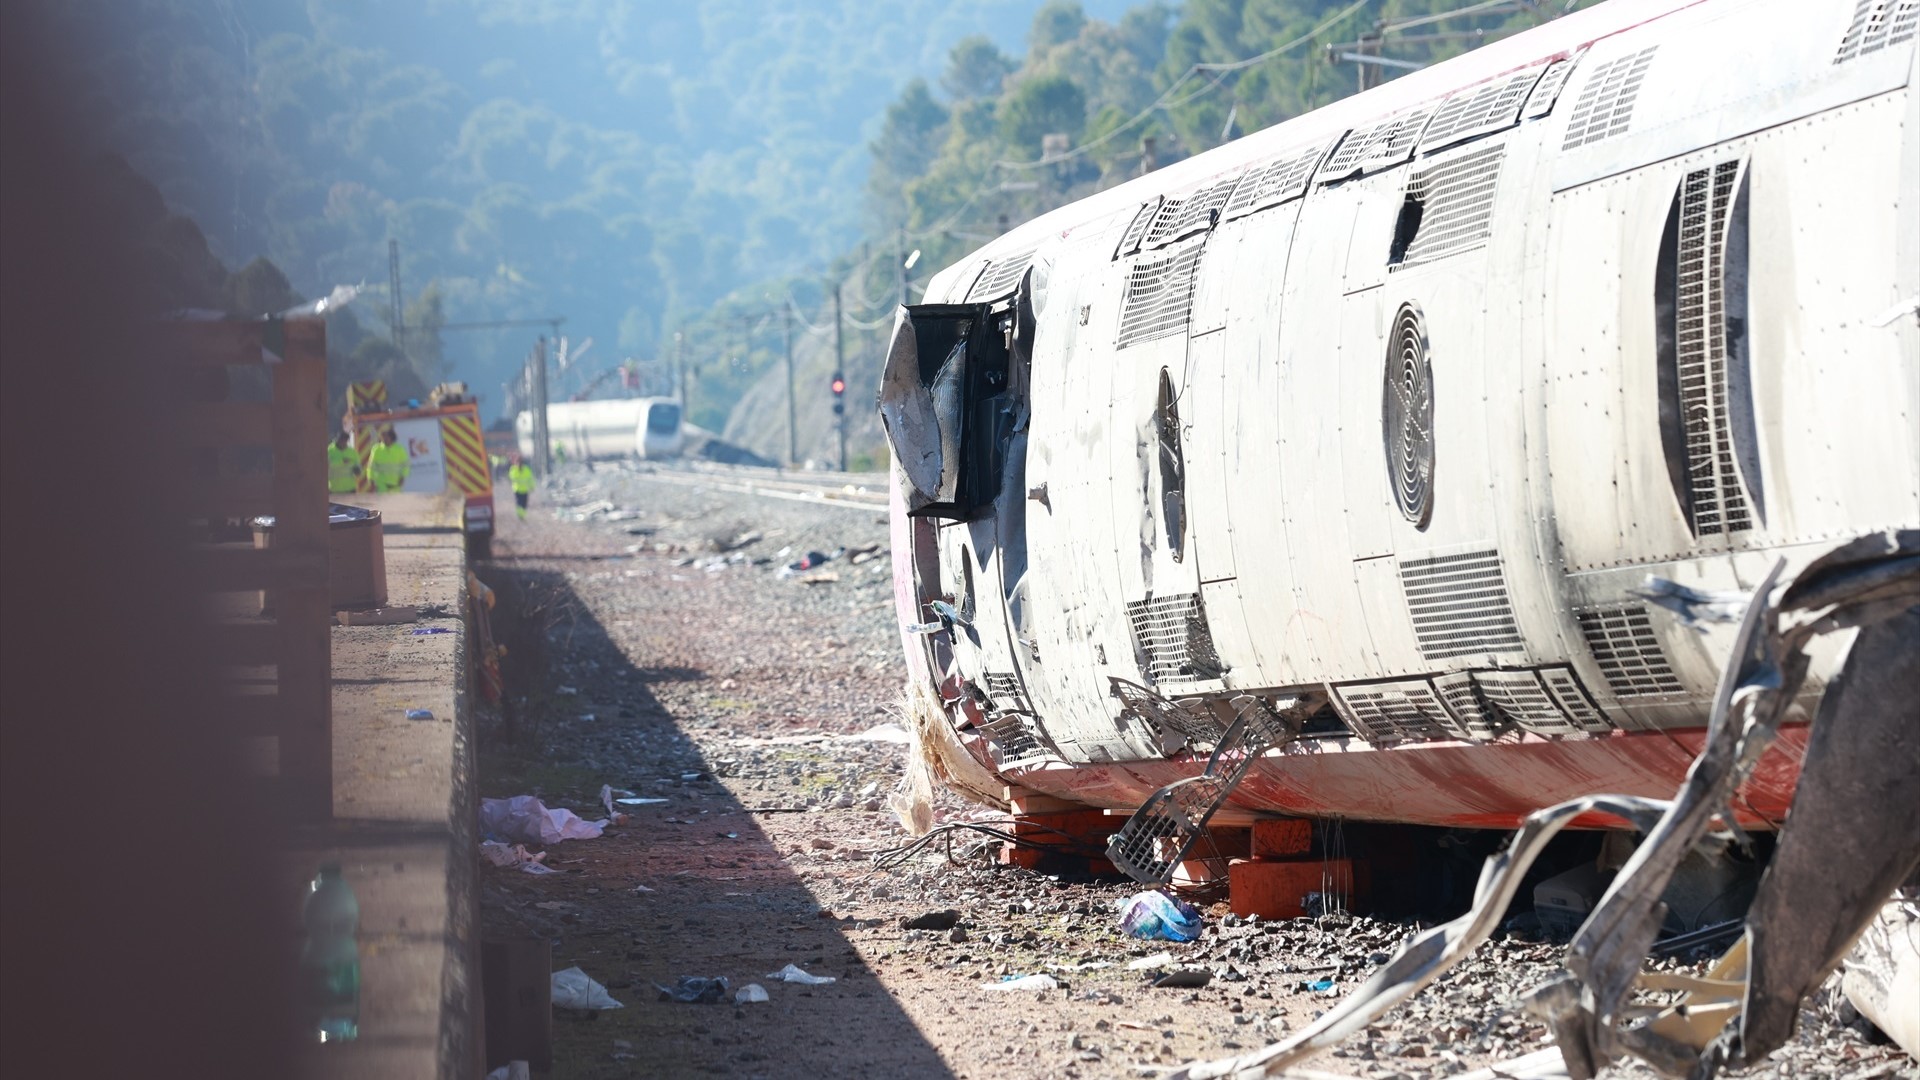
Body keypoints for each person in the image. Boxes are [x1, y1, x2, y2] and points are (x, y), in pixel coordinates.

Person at [368, 428, 410, 492]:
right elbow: (371, 467)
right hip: (381, 485)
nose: (384, 439)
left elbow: (405, 465)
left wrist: (403, 477)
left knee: (395, 502)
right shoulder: (376, 449)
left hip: (396, 485)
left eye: (386, 436)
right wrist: (371, 479)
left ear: (391, 437)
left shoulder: (399, 449)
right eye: (383, 436)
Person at [508, 454, 535, 519]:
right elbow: (511, 477)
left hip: (524, 489)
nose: (519, 464)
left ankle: (521, 514)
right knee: (519, 503)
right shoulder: (514, 469)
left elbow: (530, 479)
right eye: (518, 462)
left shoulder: (526, 469)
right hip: (517, 489)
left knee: (524, 504)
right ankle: (520, 515)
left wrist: (532, 486)